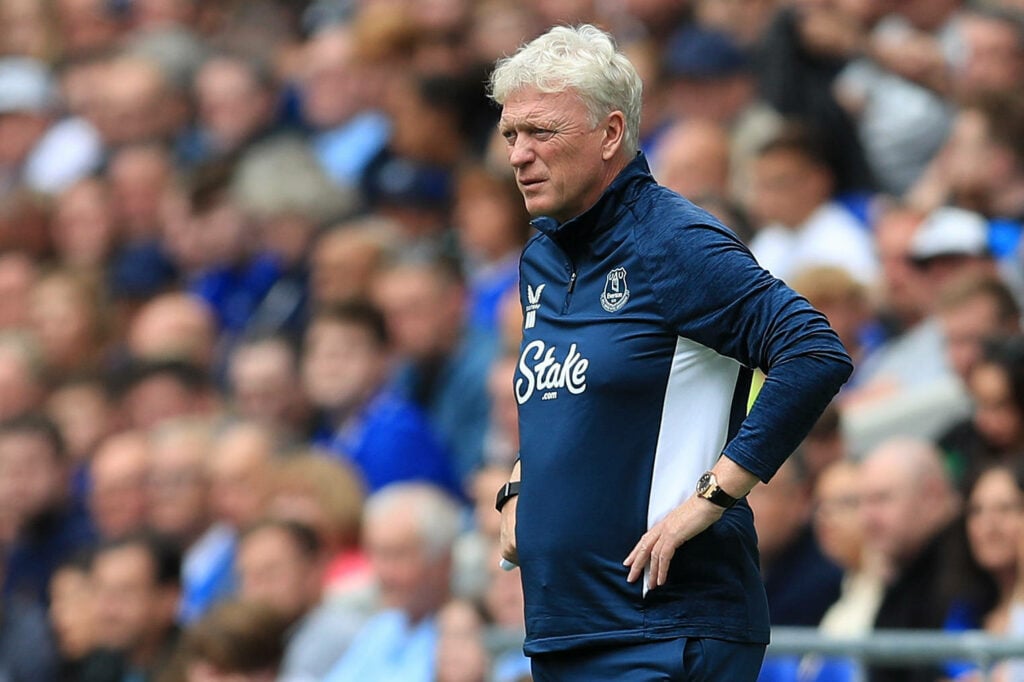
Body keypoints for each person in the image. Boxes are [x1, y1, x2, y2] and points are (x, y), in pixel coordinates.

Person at [490, 24, 852, 681]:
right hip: (564, 627)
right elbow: (575, 397)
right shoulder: (543, 255)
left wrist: (716, 495)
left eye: (542, 131)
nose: (519, 154)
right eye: (511, 133)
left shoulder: (673, 240)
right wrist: (520, 484)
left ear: (608, 134)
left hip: (667, 630)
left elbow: (814, 350)